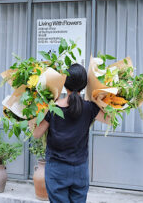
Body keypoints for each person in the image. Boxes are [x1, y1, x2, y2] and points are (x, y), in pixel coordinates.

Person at [32, 63, 110, 203]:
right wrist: (103, 97)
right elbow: (110, 120)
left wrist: (35, 110)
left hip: (57, 170)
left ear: (64, 82)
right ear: (84, 85)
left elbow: (36, 134)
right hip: (80, 170)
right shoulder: (90, 108)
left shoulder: (52, 108)